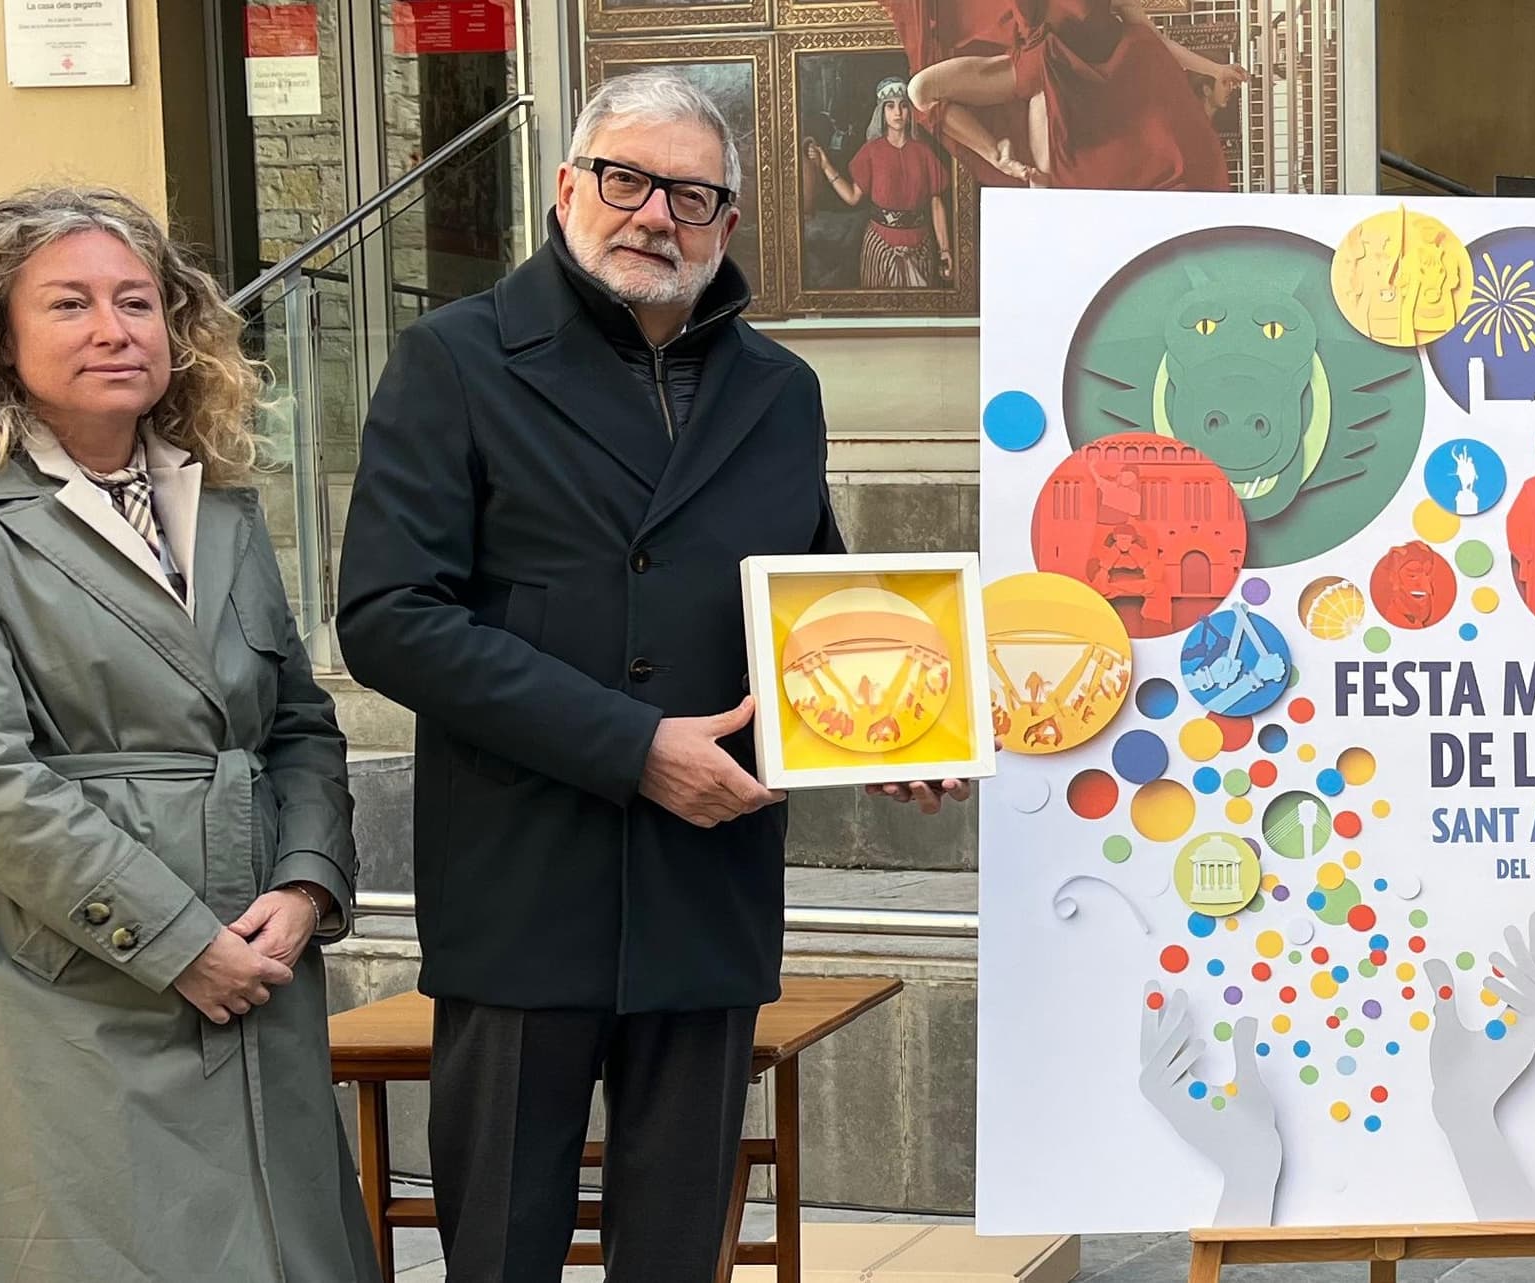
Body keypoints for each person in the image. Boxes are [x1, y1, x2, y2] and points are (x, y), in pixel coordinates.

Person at [335, 72, 961, 1282]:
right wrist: (631, 746)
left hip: (704, 881)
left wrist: (892, 730)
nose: (654, 215)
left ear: (729, 222)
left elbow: (815, 605)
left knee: (677, 1252)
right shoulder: (455, 359)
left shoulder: (779, 391)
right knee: (501, 1251)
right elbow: (390, 619)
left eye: (691, 194)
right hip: (525, 880)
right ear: (567, 186)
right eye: (626, 180)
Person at [0, 185, 372, 1280]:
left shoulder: (218, 501)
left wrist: (308, 882)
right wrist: (176, 941)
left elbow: (297, 721)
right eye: (69, 303)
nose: (114, 328)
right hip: (61, 966)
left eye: (137, 301)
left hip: (252, 945)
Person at [888, 0, 1243, 189]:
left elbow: (1154, 39)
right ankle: (997, 154)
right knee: (921, 90)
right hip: (1033, 66)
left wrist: (1214, 70)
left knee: (1045, 190)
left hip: (1076, 86)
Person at [804, 77, 955, 289]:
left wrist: (945, 250)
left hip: (921, 248)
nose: (898, 112)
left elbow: (936, 203)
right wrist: (825, 165)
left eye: (903, 106)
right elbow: (852, 197)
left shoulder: (924, 152)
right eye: (890, 106)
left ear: (911, 111)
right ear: (882, 112)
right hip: (880, 247)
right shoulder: (871, 151)